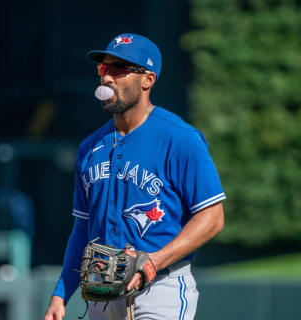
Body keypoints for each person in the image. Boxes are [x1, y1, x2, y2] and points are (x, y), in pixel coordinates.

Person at [44, 33, 226, 320]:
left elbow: (212, 218)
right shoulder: (90, 147)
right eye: (103, 69)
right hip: (101, 291)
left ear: (147, 80)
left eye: (118, 69)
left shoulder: (180, 139)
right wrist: (60, 293)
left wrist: (153, 261)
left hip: (160, 288)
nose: (107, 78)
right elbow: (83, 228)